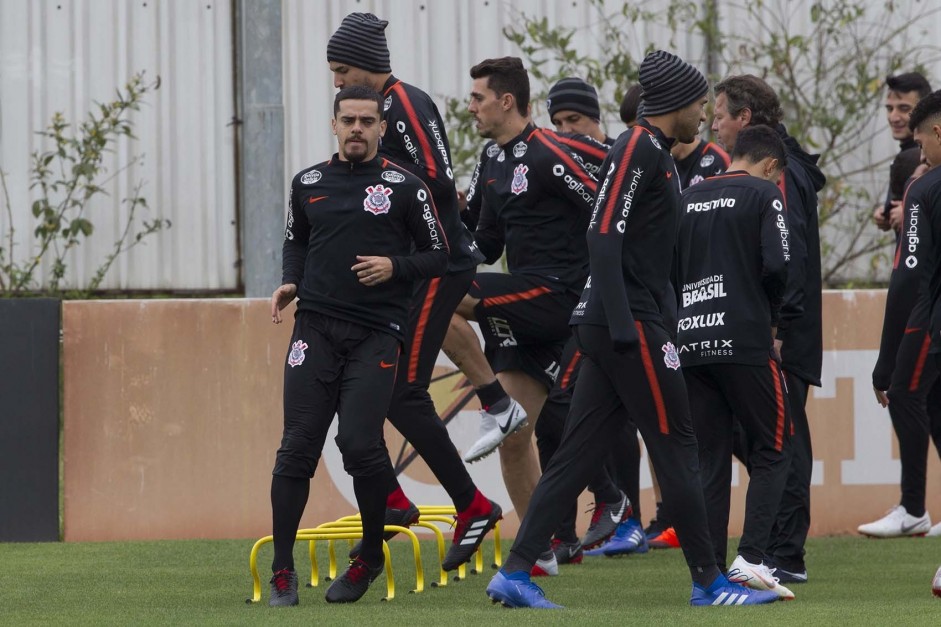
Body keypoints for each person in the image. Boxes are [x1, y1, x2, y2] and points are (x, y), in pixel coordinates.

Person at [484, 50, 781, 609]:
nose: (703, 115)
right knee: (678, 447)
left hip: (620, 324)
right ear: (674, 104)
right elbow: (601, 235)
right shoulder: (638, 146)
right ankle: (710, 583)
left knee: (575, 455)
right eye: (698, 103)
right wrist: (626, 327)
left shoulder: (658, 155)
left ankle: (516, 572)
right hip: (628, 327)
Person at [325, 12, 502, 570]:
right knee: (365, 380)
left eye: (343, 69)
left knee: (399, 389)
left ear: (370, 66)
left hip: (436, 264)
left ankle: (472, 505)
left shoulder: (403, 103)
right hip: (409, 266)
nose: (336, 82)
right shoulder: (383, 108)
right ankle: (396, 500)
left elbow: (434, 177)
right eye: (333, 72)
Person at [266, 85, 449, 606]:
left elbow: (441, 254)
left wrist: (396, 267)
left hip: (376, 333)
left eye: (367, 121)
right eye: (348, 120)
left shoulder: (405, 186)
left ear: (381, 129)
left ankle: (370, 553)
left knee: (360, 444)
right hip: (315, 328)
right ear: (334, 124)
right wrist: (290, 280)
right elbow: (297, 240)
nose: (357, 129)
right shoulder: (308, 183)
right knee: (296, 446)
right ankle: (283, 571)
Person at [447, 57, 599, 536]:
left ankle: (493, 399)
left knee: (434, 291)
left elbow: (606, 208)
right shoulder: (492, 159)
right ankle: (539, 551)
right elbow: (487, 244)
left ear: (505, 101)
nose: (470, 107)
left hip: (559, 294)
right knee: (516, 442)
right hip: (522, 301)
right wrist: (441, 239)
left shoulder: (550, 153)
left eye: (478, 98)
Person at [712, 74, 826, 585]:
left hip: (780, 331)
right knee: (769, 436)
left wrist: (780, 326)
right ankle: (778, 546)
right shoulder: (767, 173)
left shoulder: (778, 173)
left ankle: (784, 553)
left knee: (782, 439)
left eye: (720, 114)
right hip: (765, 328)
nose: (714, 123)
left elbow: (790, 256)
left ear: (746, 119)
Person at [676, 124, 794, 600]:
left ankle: (707, 575)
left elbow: (664, 267)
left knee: (709, 459)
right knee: (775, 446)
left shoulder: (687, 198)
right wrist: (773, 317)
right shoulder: (765, 193)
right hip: (744, 339)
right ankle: (751, 559)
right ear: (770, 164)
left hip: (689, 341)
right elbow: (780, 262)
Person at [867, 84, 941, 539]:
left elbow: (907, 275)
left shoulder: (923, 187)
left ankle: (913, 507)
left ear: (936, 131)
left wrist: (884, 361)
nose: (920, 151)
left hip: (931, 323)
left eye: (921, 142)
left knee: (905, 393)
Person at [873, 73, 932, 233]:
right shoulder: (906, 155)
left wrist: (910, 212)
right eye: (889, 108)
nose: (894, 117)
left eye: (904, 108)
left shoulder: (931, 156)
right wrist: (887, 212)